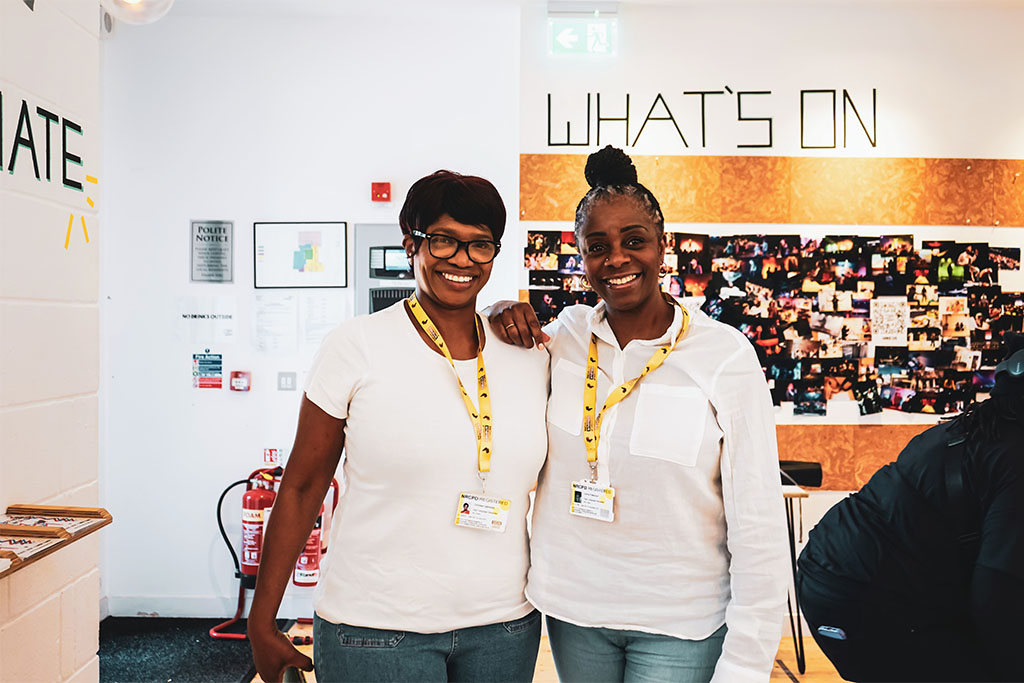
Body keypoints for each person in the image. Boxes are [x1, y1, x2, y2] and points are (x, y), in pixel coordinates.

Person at [489, 146, 789, 683]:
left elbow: (758, 519)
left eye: (634, 241)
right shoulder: (562, 340)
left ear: (662, 246)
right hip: (574, 607)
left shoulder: (723, 355)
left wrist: (748, 658)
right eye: (597, 246)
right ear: (581, 254)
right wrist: (494, 311)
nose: (617, 259)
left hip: (681, 618)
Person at [249, 170, 548, 683]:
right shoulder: (356, 346)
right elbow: (301, 487)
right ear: (410, 242)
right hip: (375, 628)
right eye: (444, 241)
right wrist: (262, 618)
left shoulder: (528, 353)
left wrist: (506, 308)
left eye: (480, 246)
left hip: (504, 627)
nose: (462, 260)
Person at [797, 333, 1024, 682]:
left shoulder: (978, 428)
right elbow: (995, 597)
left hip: (833, 573)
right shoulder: (1013, 457)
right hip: (863, 590)